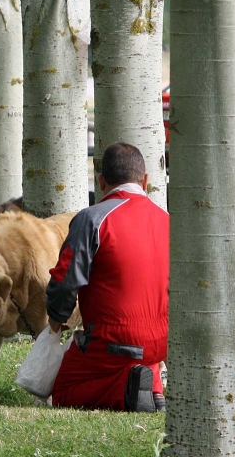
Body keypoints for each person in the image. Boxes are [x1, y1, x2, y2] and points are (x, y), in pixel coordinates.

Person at [46, 143, 169, 413]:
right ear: (146, 181)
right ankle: (153, 389)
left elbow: (65, 280)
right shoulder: (168, 221)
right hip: (162, 344)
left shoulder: (91, 219)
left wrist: (56, 316)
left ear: (101, 182)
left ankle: (126, 392)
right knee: (139, 356)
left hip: (112, 343)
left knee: (62, 391)